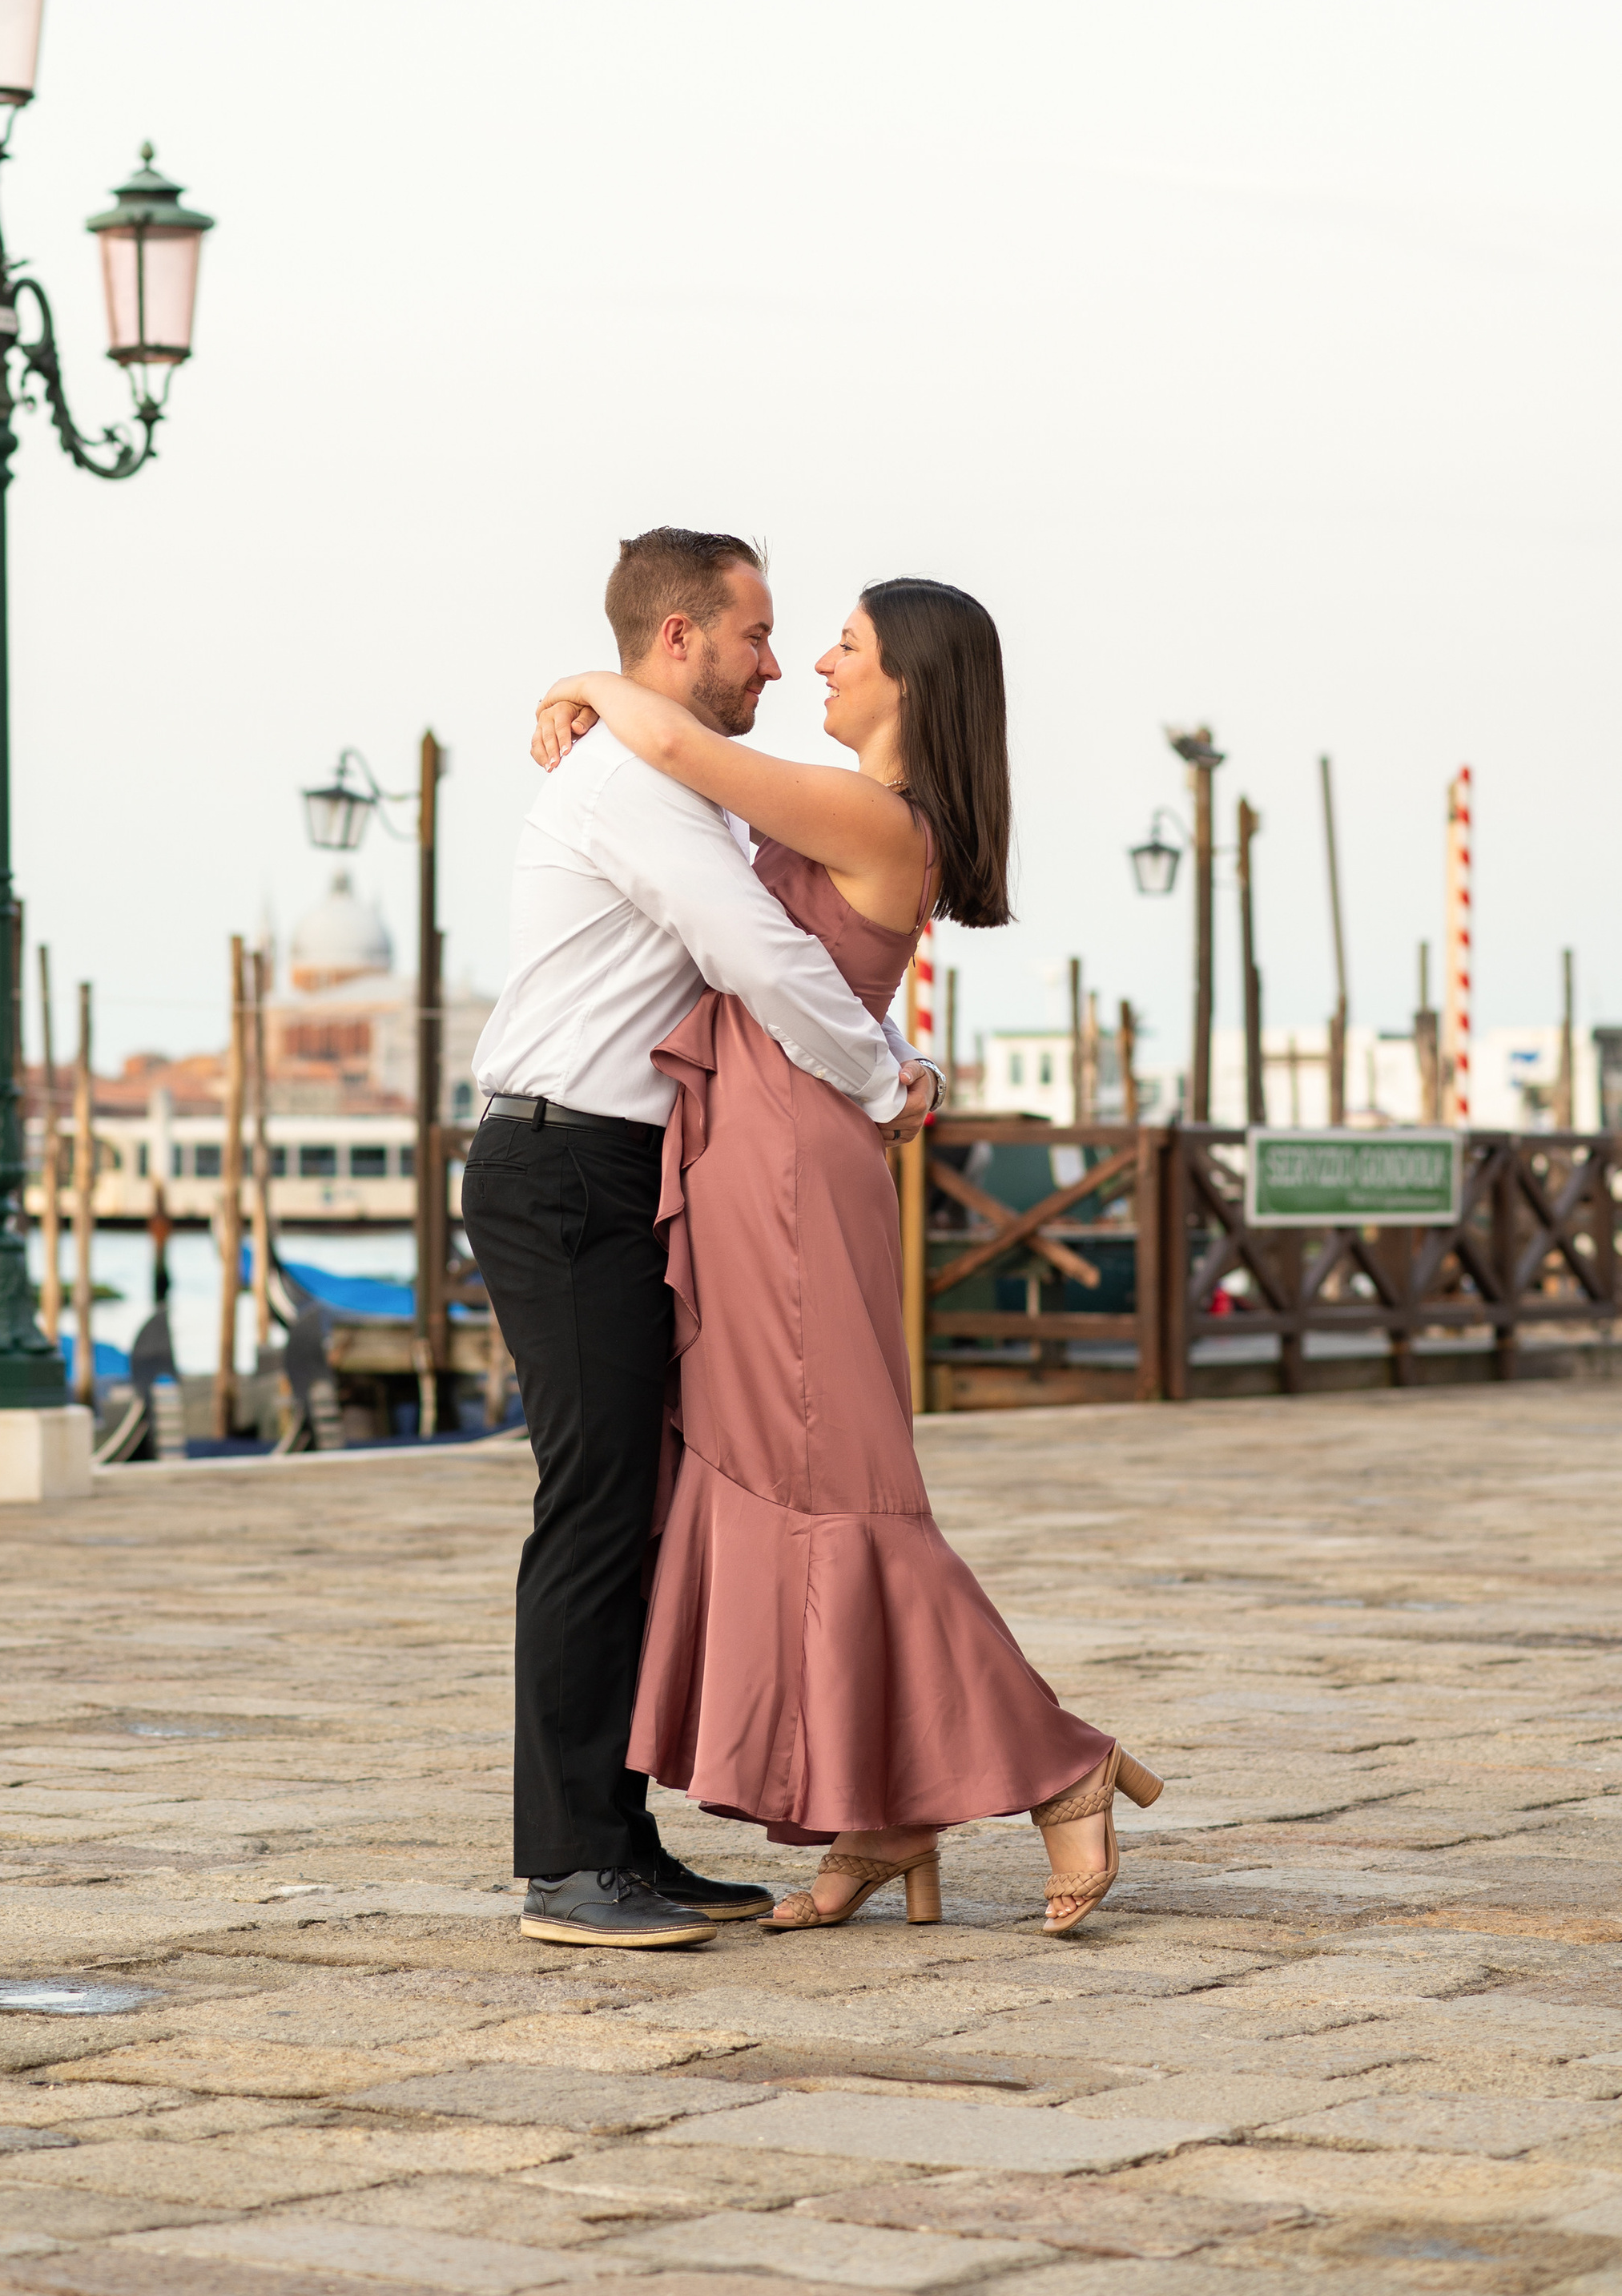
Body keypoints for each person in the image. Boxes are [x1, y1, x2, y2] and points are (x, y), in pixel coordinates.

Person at [531, 576, 1163, 1935]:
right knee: (784, 1481)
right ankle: (881, 1820)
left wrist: (589, 682)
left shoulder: (874, 812)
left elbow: (689, 754)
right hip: (756, 1155)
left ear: (913, 685)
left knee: (840, 1489)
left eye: (849, 645)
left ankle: (1061, 1767)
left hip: (789, 1174)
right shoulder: (854, 803)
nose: (818, 657)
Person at [464, 530, 942, 1950]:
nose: (778, 663)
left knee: (642, 1508)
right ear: (679, 640)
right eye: (753, 637)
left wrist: (889, 1052)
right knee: (598, 1506)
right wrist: (880, 1082)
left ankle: (619, 1841)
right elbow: (750, 950)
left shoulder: (658, 768)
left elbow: (790, 954)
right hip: (563, 1166)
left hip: (623, 1168)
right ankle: (566, 1867)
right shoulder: (633, 782)